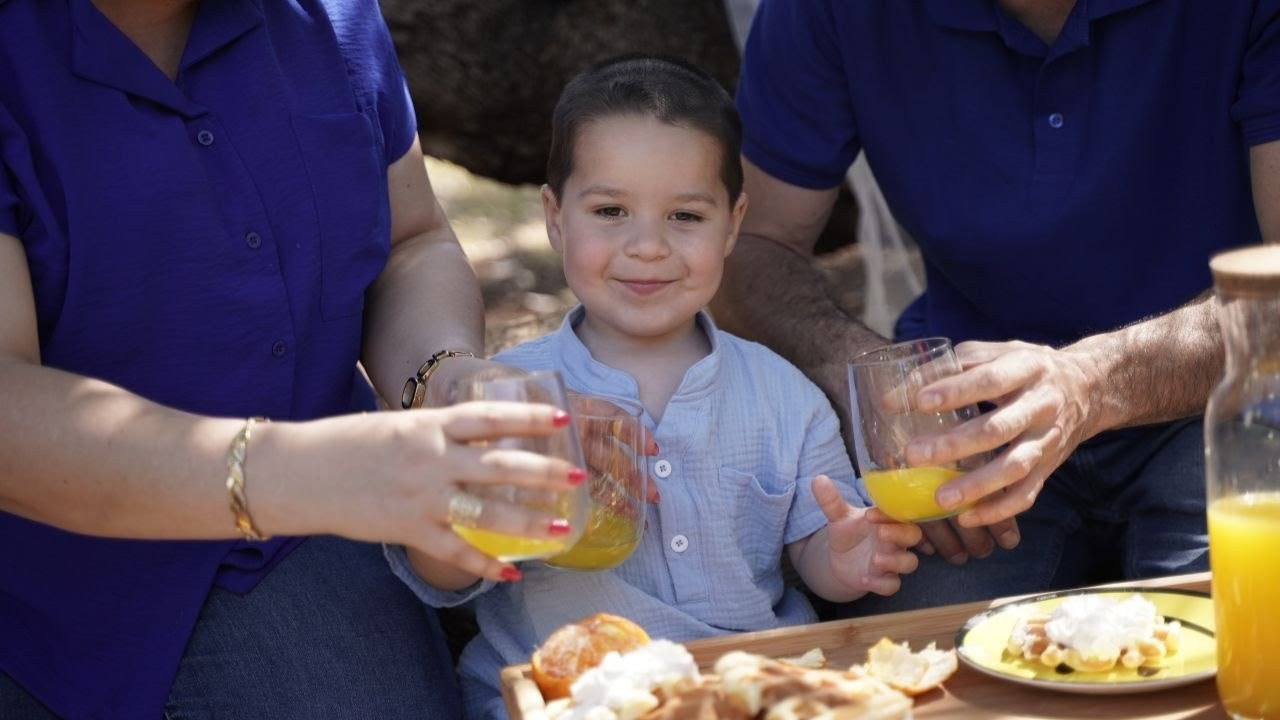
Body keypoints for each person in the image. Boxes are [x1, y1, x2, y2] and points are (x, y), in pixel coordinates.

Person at [0, 1, 590, 718]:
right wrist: (315, 472)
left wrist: (444, 376)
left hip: (305, 537)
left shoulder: (329, 16)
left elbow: (411, 240)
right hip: (46, 584)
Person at [386, 56, 924, 719]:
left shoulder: (785, 395)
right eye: (611, 210)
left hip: (750, 688)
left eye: (686, 217)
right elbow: (442, 571)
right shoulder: (510, 394)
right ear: (555, 218)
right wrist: (467, 524)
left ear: (733, 223)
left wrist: (846, 556)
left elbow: (817, 547)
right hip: (564, 697)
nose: (647, 246)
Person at [711, 0, 1280, 615]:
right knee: (905, 672)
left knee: (1239, 647)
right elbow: (745, 247)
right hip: (966, 429)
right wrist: (876, 386)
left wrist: (1088, 384)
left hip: (1229, 404)